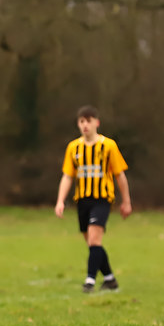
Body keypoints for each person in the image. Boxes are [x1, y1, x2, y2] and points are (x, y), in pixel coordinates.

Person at [54, 105, 132, 293]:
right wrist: (60, 200)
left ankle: (89, 280)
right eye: (82, 121)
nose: (85, 125)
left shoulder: (109, 146)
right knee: (92, 243)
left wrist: (126, 201)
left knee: (95, 240)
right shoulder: (73, 147)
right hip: (82, 200)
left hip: (102, 199)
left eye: (88, 121)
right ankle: (110, 279)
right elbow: (67, 176)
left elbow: (120, 175)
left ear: (97, 123)